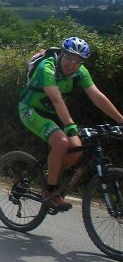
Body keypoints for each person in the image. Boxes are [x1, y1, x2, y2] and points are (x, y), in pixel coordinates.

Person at [19, 36, 123, 212]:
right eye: (69, 58)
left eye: (78, 61)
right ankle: (50, 192)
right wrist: (70, 125)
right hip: (32, 110)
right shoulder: (47, 68)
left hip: (55, 113)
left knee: (77, 148)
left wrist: (121, 120)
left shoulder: (80, 72)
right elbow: (56, 100)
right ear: (62, 54)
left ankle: (49, 177)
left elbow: (97, 97)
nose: (72, 64)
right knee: (61, 141)